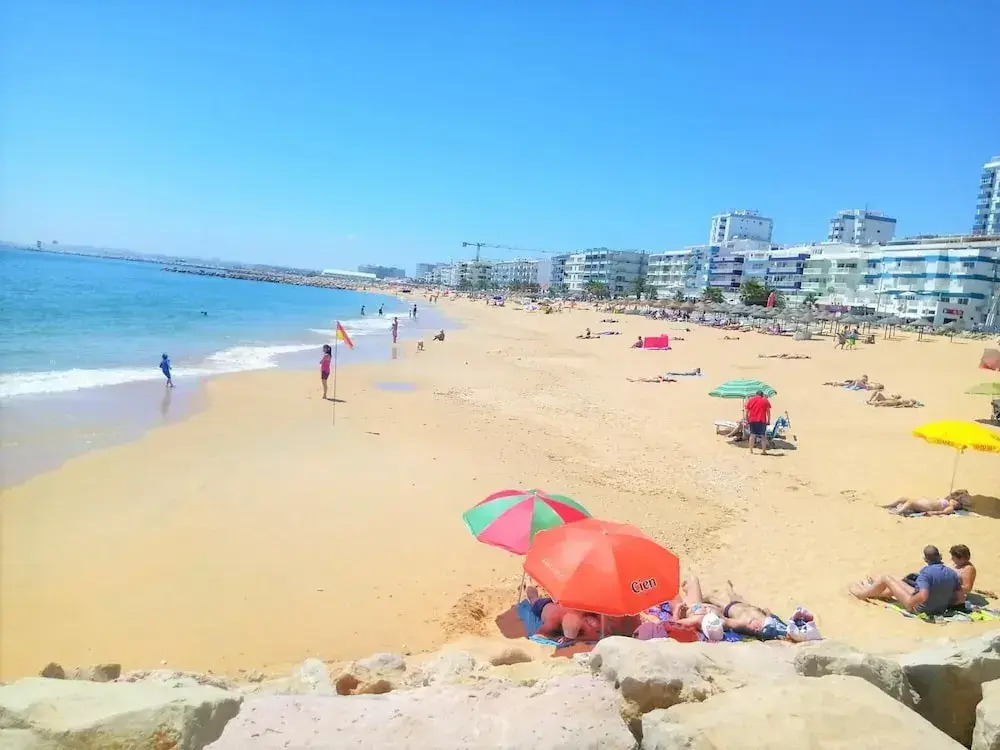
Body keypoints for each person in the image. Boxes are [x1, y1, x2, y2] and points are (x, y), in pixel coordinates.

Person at [850, 545, 960, 616]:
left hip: (920, 608)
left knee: (886, 578)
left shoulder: (926, 573)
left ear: (925, 559)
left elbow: (923, 594)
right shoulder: (952, 573)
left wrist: (910, 603)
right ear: (940, 556)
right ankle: (874, 592)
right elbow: (959, 597)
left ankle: (862, 594)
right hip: (939, 608)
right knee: (898, 582)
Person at [880, 490, 970, 516]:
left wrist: (933, 513)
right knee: (903, 498)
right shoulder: (950, 500)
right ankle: (889, 505)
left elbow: (945, 512)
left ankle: (898, 512)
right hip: (924, 502)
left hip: (927, 507)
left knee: (910, 502)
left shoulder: (951, 506)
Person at [745, 389, 771, 455]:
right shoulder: (765, 400)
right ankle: (764, 451)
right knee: (763, 436)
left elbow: (747, 412)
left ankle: (751, 450)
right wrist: (768, 420)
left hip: (752, 420)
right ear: (762, 395)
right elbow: (768, 412)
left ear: (756, 394)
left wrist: (747, 420)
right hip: (762, 420)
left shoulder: (751, 400)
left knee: (752, 435)